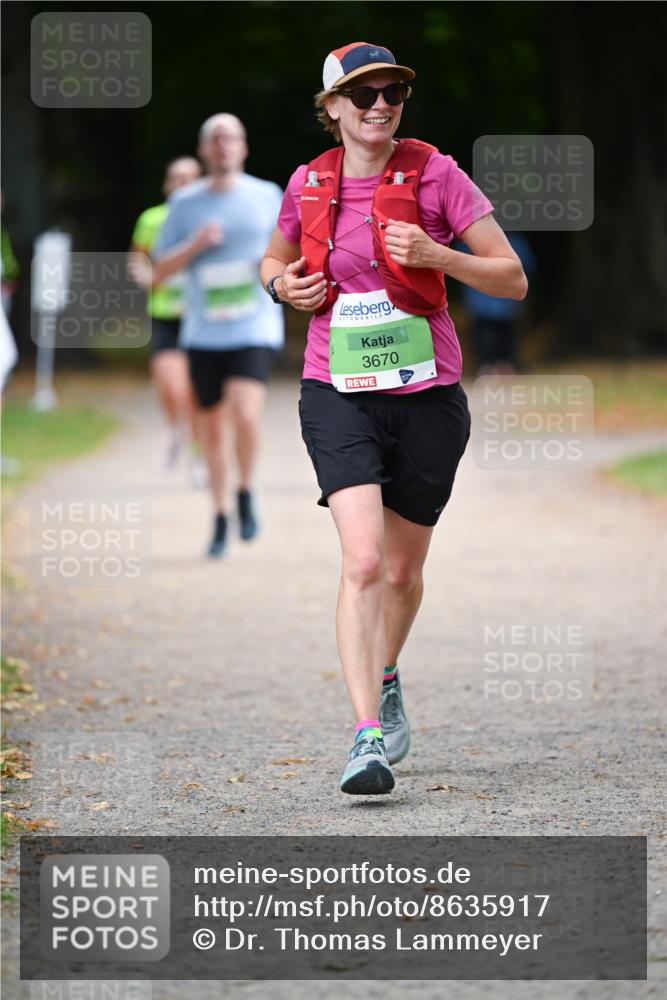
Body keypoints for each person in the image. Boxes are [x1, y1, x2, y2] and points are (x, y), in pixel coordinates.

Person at [261, 42, 528, 795]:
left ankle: (385, 672)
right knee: (364, 562)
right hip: (335, 391)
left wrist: (439, 257)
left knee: (404, 571)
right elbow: (272, 261)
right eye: (363, 93)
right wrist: (284, 287)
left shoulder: (436, 174)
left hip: (427, 397)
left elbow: (510, 280)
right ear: (333, 108)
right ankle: (364, 739)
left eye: (392, 92)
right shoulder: (308, 181)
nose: (381, 104)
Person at [153, 114, 284, 557]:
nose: (225, 145)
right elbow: (158, 270)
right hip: (203, 332)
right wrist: (195, 246)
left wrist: (266, 265)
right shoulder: (185, 203)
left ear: (244, 147)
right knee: (210, 431)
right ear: (205, 150)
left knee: (246, 415)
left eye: (232, 138)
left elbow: (291, 251)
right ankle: (219, 514)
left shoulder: (267, 195)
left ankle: (245, 490)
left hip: (254, 325)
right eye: (216, 139)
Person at [130, 156, 205, 474]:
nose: (182, 183)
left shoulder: (208, 218)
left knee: (193, 389)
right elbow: (137, 259)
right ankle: (176, 431)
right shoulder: (151, 219)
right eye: (176, 177)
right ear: (167, 183)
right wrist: (147, 279)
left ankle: (200, 453)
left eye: (189, 178)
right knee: (169, 385)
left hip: (200, 316)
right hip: (164, 312)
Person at [460, 231, 536, 375]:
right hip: (500, 304)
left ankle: (493, 367)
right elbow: (529, 267)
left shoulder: (471, 241)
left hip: (490, 304)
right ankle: (499, 366)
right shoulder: (514, 242)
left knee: (491, 340)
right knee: (498, 340)